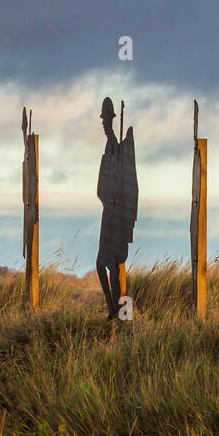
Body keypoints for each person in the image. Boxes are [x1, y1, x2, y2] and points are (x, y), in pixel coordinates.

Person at [96, 97, 138, 319]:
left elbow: (127, 184)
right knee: (102, 265)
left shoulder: (119, 148)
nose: (103, 124)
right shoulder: (110, 145)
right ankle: (113, 310)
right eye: (103, 120)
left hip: (115, 218)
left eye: (106, 120)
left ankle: (120, 312)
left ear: (112, 120)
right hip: (108, 214)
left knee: (113, 266)